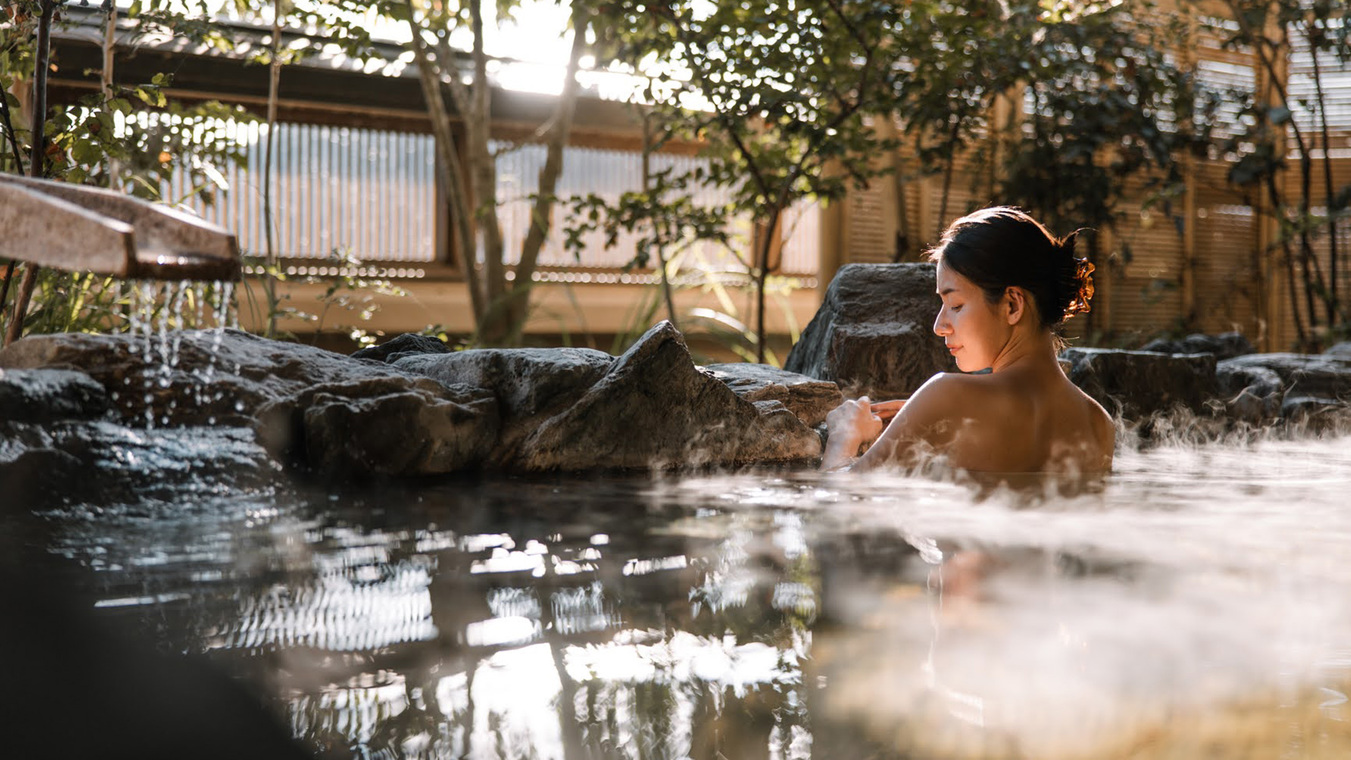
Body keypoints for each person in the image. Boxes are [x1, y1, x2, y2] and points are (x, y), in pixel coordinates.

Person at [821, 206, 1114, 477]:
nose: (939, 326)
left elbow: (839, 501)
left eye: (956, 305)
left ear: (1012, 305)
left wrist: (844, 436)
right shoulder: (1099, 424)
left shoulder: (947, 396)